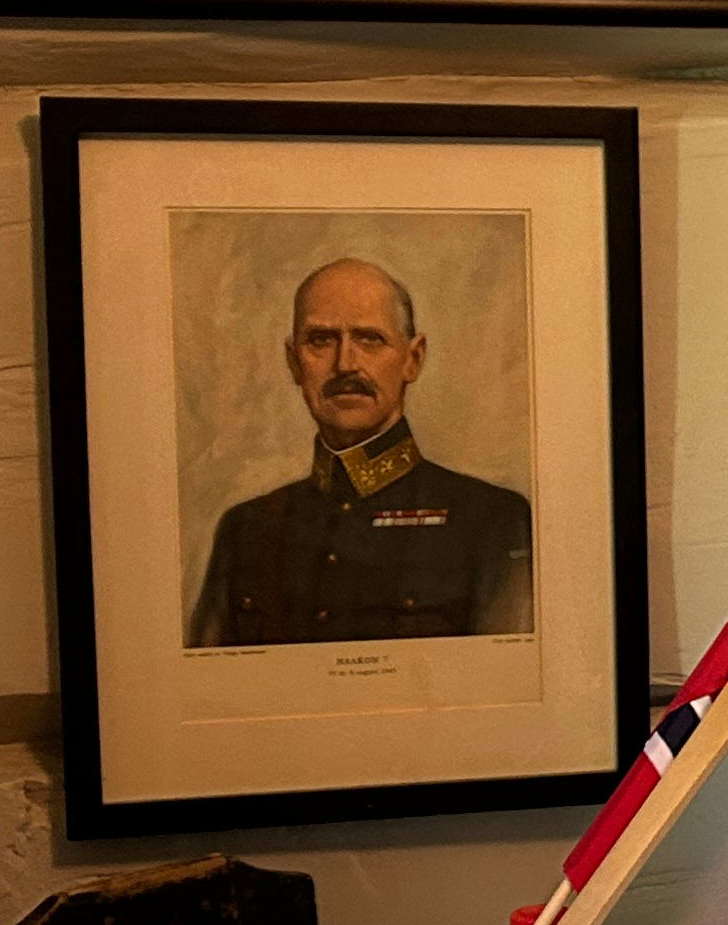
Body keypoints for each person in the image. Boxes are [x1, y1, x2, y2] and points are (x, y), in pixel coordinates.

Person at [188, 256, 534, 647]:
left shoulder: (492, 521)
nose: (345, 364)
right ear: (294, 362)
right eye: (321, 340)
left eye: (370, 339)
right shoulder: (245, 531)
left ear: (413, 359)